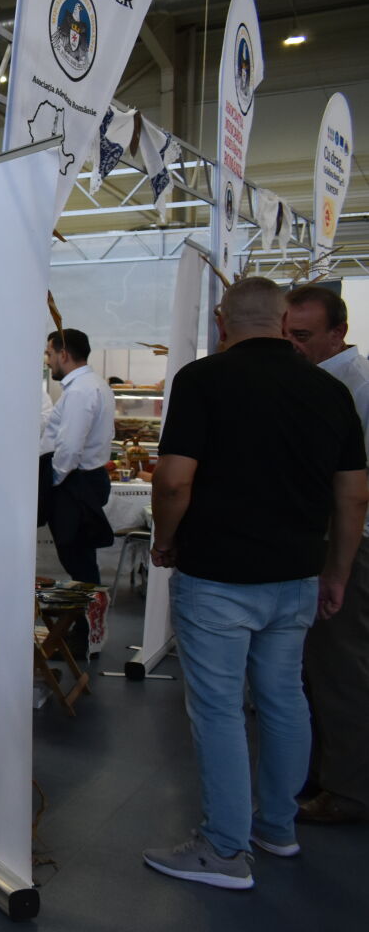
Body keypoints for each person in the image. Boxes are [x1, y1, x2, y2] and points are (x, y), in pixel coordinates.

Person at [144, 277, 368, 889]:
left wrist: (164, 541)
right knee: (284, 699)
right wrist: (337, 572)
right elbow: (354, 496)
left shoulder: (202, 379)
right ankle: (277, 826)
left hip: (218, 575)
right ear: (283, 322)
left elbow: (173, 481)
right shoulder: (330, 390)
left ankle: (223, 848)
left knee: (218, 709)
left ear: (222, 321)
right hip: (297, 575)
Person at [284, 284, 369, 824]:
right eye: (286, 334)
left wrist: (339, 562)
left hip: (350, 542)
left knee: (341, 667)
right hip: (329, 540)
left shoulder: (354, 388)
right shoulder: (322, 382)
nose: (292, 345)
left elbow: (355, 490)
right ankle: (323, 773)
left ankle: (349, 790)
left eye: (303, 335)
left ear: (338, 333)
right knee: (317, 666)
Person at [39, 328, 116, 584]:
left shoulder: (80, 391)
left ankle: (89, 609)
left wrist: (52, 481)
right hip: (83, 478)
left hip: (74, 481)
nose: (48, 360)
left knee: (78, 561)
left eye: (49, 353)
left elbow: (70, 447)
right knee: (81, 559)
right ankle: (90, 608)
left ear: (63, 354)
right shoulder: (95, 384)